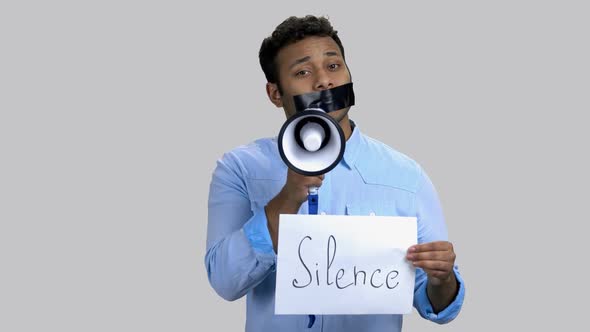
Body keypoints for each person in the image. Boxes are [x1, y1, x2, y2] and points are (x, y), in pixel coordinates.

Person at [205, 15, 465, 331]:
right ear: (275, 94)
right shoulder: (240, 169)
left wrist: (443, 278)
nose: (324, 82)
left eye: (333, 66)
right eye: (302, 72)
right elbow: (224, 282)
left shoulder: (405, 176)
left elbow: (437, 303)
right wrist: (286, 200)